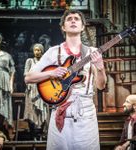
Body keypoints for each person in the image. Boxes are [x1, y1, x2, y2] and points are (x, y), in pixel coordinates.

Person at [25, 10, 107, 150]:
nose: (73, 21)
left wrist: (100, 68)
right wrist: (51, 73)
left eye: (77, 19)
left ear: (82, 26)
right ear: (63, 27)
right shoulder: (53, 51)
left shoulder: (92, 52)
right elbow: (28, 78)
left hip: (86, 114)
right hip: (60, 111)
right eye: (69, 19)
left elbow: (101, 85)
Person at [23, 43, 49, 137]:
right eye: (35, 50)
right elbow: (26, 74)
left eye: (38, 50)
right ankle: (33, 132)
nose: (37, 52)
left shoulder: (45, 61)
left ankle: (41, 131)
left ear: (41, 51)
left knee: (42, 110)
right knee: (32, 109)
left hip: (42, 87)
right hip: (32, 87)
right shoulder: (29, 61)